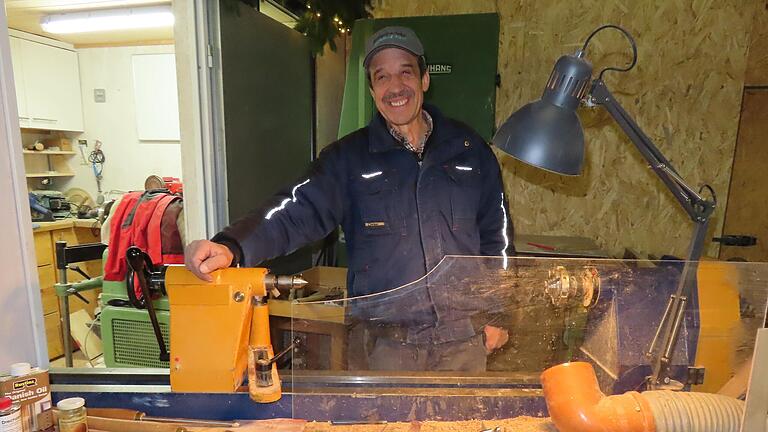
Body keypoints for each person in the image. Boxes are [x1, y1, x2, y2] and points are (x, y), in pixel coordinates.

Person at [185, 26, 513, 372]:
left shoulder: (469, 150)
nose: (395, 87)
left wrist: (499, 312)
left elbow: (498, 236)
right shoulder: (348, 159)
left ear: (425, 79)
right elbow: (294, 210)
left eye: (405, 72)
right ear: (372, 90)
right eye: (381, 77)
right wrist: (233, 246)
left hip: (463, 343)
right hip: (385, 349)